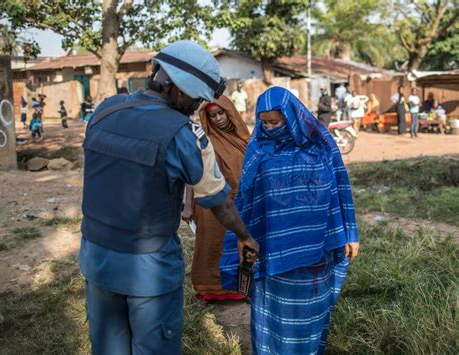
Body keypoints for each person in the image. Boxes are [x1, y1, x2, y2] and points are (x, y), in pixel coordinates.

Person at [79, 40, 258, 355]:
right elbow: (217, 200)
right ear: (180, 90)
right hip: (147, 270)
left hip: (95, 257)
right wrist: (244, 236)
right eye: (197, 100)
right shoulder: (185, 135)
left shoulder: (106, 110)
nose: (197, 108)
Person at [220, 86, 359, 355]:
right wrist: (240, 238)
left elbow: (342, 186)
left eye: (276, 121)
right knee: (273, 317)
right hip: (272, 250)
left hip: (316, 251)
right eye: (265, 122)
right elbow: (246, 198)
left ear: (292, 116)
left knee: (310, 314)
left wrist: (351, 232)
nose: (270, 128)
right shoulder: (258, 147)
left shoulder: (321, 142)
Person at [182, 95, 250, 301]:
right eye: (213, 115)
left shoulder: (243, 139)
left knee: (240, 244)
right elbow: (190, 173)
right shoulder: (203, 140)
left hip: (240, 201)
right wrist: (187, 205)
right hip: (210, 202)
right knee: (212, 244)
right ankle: (211, 289)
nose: (219, 118)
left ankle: (240, 288)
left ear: (230, 114)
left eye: (222, 113)